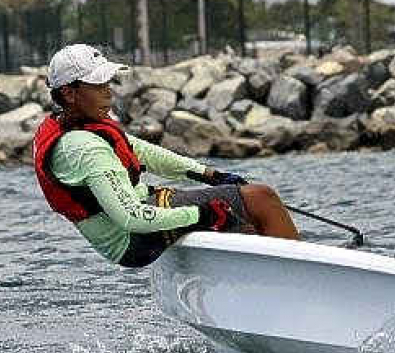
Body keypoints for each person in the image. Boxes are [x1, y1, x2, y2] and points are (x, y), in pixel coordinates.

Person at [33, 44, 300, 267]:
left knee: (242, 213)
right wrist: (201, 215)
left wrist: (208, 174)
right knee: (260, 197)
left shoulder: (71, 123)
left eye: (107, 82)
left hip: (133, 224)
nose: (108, 91)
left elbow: (140, 149)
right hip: (133, 238)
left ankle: (270, 273)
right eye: (97, 85)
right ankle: (300, 277)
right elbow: (132, 218)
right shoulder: (84, 150)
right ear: (69, 93)